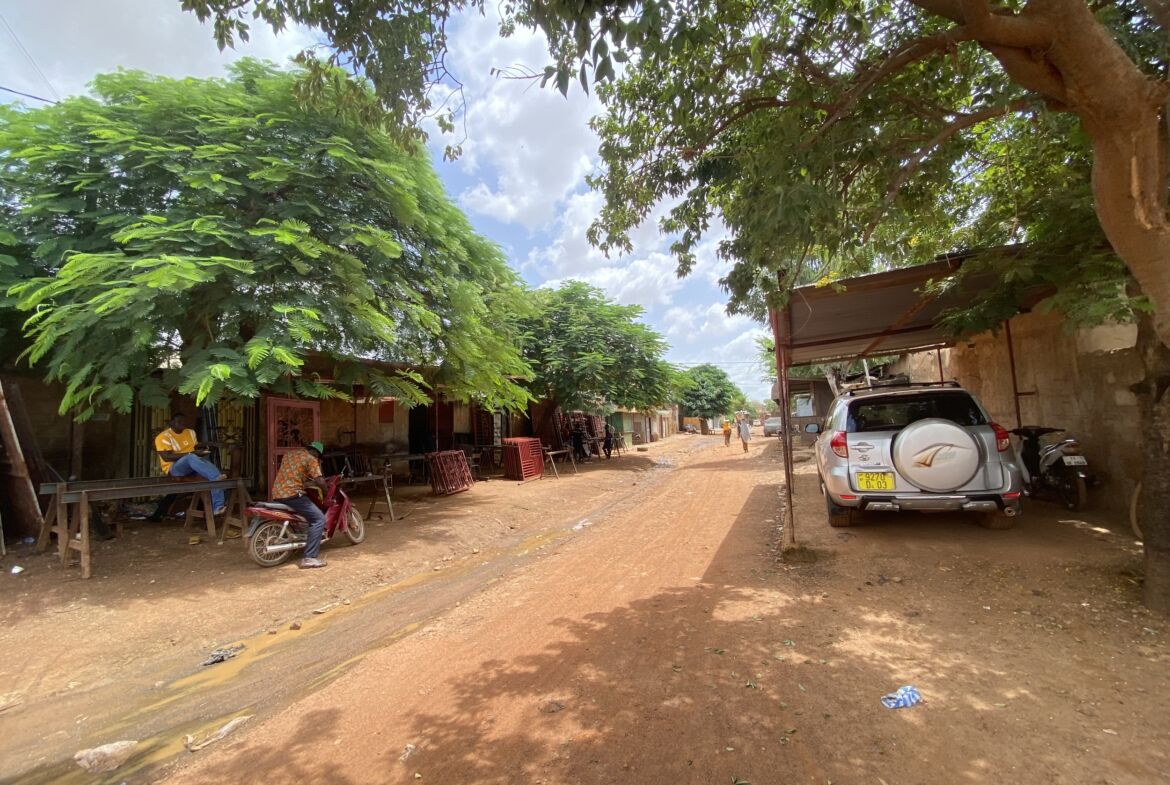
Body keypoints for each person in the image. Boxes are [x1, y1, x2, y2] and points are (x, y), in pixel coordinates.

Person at [271, 439, 330, 569]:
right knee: (319, 519)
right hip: (292, 494)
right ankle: (309, 558)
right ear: (316, 453)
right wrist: (327, 493)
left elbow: (295, 475)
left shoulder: (289, 455)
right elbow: (320, 481)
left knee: (306, 512)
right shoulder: (311, 459)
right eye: (318, 456)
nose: (317, 458)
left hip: (277, 492)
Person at [155, 413, 226, 515]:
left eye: (184, 422)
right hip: (174, 469)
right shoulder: (163, 437)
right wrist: (191, 454)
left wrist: (204, 448)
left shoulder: (190, 432)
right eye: (179, 422)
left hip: (191, 465)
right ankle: (216, 477)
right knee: (191, 457)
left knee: (211, 468)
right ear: (171, 423)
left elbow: (195, 447)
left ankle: (218, 507)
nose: (182, 424)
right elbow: (166, 457)